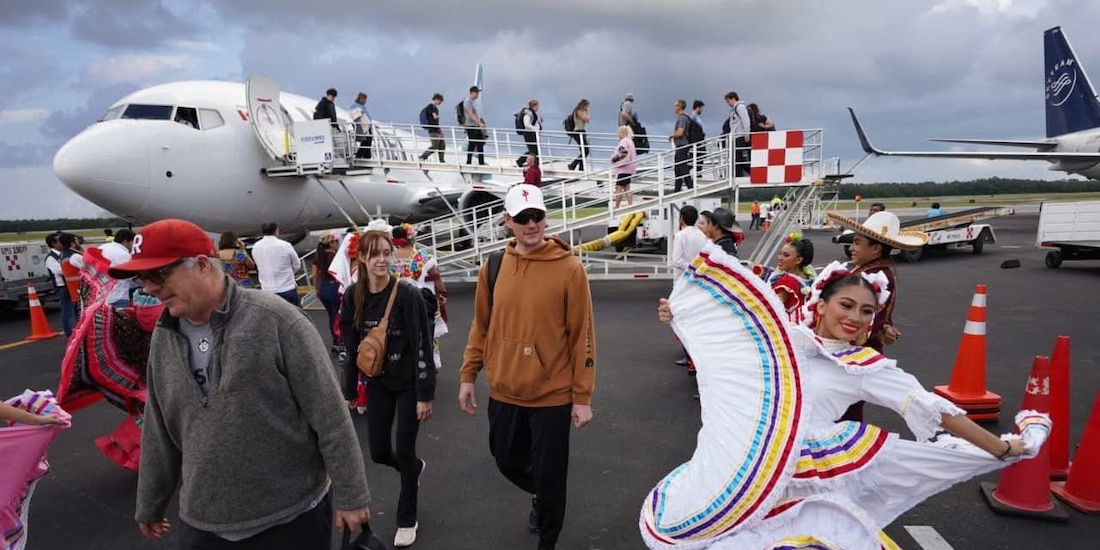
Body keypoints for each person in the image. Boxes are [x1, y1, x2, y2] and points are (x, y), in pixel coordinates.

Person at [645, 246, 1049, 549]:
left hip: (809, 480)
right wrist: (678, 316)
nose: (856, 318)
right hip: (749, 463)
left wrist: (999, 448)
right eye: (847, 305)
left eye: (868, 312)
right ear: (821, 303)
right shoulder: (786, 341)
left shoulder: (865, 366)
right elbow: (727, 351)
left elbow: (932, 408)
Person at [109, 218, 373, 550]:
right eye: (141, 278)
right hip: (204, 525)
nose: (148, 288)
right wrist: (150, 502)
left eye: (158, 275)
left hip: (290, 521)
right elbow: (158, 427)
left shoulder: (279, 321)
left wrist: (352, 494)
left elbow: (330, 416)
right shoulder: (165, 336)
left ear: (203, 265)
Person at [459, 184, 597, 550]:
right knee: (505, 460)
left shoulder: (570, 269)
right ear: (507, 222)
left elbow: (582, 335)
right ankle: (544, 494)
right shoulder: (493, 266)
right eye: (522, 218)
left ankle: (548, 534)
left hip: (552, 394)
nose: (531, 224)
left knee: (552, 477)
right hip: (504, 388)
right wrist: (468, 374)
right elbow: (481, 325)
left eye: (537, 216)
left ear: (545, 218)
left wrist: (581, 397)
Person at [340, 228, 436, 548]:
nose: (382, 259)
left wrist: (425, 394)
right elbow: (350, 345)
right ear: (362, 259)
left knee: (405, 448)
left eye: (386, 253)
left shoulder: (407, 295)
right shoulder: (354, 295)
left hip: (408, 384)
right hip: (378, 382)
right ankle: (413, 468)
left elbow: (423, 343)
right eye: (375, 254)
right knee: (380, 451)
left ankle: (407, 517)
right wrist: (350, 390)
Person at [825, 210, 927, 422]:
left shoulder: (875, 278)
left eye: (856, 242)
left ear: (875, 248)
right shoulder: (873, 271)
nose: (851, 248)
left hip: (854, 352)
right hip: (855, 350)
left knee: (843, 409)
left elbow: (865, 323)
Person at [390, 223, 449, 370]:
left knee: (401, 335)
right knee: (426, 334)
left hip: (395, 303)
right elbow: (436, 277)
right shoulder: (423, 257)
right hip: (421, 302)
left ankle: (405, 365)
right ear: (411, 238)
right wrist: (443, 293)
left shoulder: (389, 258)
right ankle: (427, 364)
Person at [752, 232, 815, 324]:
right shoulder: (808, 278)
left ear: (798, 260)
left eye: (786, 255)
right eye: (780, 254)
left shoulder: (788, 281)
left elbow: (772, 307)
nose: (779, 258)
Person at [250, 222, 302, 306]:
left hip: (267, 289)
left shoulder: (256, 246)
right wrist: (288, 274)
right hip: (286, 287)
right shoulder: (285, 245)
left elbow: (257, 264)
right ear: (276, 231)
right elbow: (296, 264)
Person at [311, 233, 343, 356]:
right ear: (331, 243)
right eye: (335, 241)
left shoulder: (318, 256)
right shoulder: (336, 257)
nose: (337, 244)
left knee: (331, 315)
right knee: (338, 316)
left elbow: (314, 274)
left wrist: (317, 289)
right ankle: (339, 341)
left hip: (323, 288)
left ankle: (335, 341)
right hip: (334, 288)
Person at [668, 99, 693, 192]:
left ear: (680, 106)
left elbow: (680, 132)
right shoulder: (683, 117)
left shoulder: (682, 118)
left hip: (682, 146)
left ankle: (691, 188)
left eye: (675, 106)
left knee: (683, 169)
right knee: (678, 170)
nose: (674, 108)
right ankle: (677, 190)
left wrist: (672, 135)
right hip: (681, 146)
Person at [610, 125, 637, 209]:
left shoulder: (624, 142)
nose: (617, 135)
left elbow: (623, 153)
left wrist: (614, 159)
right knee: (627, 188)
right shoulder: (630, 141)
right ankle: (630, 205)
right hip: (629, 169)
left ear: (622, 133)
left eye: (618, 133)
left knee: (618, 188)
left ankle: (617, 206)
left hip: (623, 169)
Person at [463, 86, 487, 166]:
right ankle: (471, 162)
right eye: (477, 93)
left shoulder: (472, 102)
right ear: (472, 93)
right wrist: (479, 123)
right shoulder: (468, 101)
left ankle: (478, 162)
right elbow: (470, 114)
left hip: (474, 125)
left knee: (476, 143)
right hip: (471, 125)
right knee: (475, 143)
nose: (478, 94)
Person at [419, 93, 445, 163]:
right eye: (440, 101)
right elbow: (434, 117)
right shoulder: (430, 107)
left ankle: (442, 160)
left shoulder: (436, 109)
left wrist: (440, 131)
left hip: (436, 129)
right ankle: (423, 156)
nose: (440, 103)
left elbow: (436, 121)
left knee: (442, 145)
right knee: (435, 145)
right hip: (432, 130)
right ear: (436, 99)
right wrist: (438, 116)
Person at [567, 99, 591, 172]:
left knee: (584, 150)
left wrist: (587, 113)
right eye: (587, 106)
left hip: (582, 132)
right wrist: (587, 112)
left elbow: (588, 120)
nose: (587, 107)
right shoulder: (578, 111)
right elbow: (586, 119)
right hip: (578, 132)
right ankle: (573, 165)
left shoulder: (582, 111)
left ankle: (581, 167)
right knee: (585, 151)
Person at [349, 92, 374, 160]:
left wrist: (372, 125)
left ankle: (367, 156)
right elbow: (353, 115)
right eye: (363, 99)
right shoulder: (355, 106)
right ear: (360, 99)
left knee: (368, 141)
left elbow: (367, 118)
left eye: (365, 99)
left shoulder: (364, 107)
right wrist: (360, 112)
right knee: (365, 142)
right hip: (362, 126)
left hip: (367, 126)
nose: (365, 101)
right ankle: (360, 156)